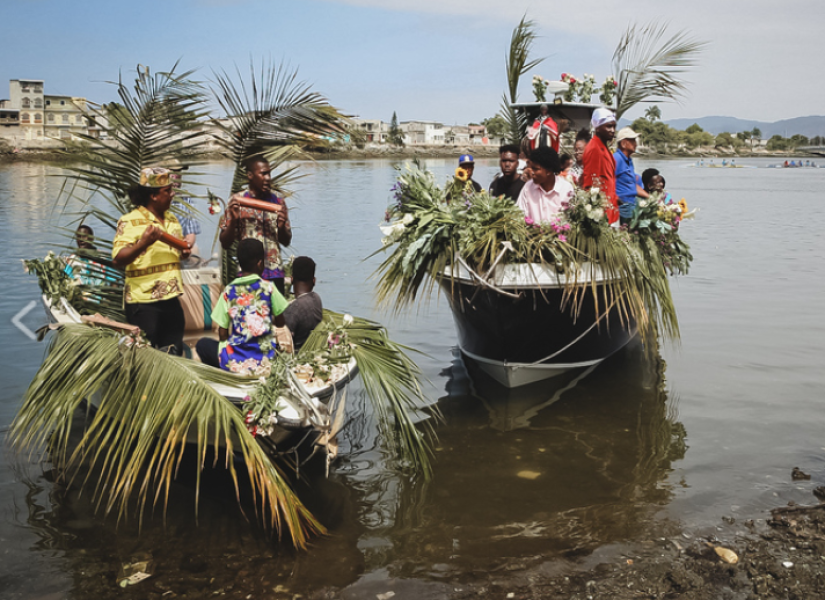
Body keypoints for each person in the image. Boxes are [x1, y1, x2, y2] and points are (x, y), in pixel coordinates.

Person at [113, 167, 191, 354]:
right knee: (144, 358)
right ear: (153, 196)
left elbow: (175, 253)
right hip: (143, 303)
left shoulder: (172, 220)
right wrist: (144, 243)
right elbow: (118, 259)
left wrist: (183, 253)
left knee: (173, 355)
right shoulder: (130, 221)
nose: (173, 194)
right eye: (168, 191)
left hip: (171, 299)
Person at [195, 238, 293, 375]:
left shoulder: (229, 291)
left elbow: (222, 333)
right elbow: (281, 323)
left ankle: (224, 376)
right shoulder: (269, 288)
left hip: (236, 362)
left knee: (203, 345)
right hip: (265, 362)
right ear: (260, 264)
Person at [219, 155, 292, 295]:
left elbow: (286, 240)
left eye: (269, 173)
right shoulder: (237, 201)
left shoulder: (278, 200)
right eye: (263, 173)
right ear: (250, 175)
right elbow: (225, 243)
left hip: (274, 273)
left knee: (275, 315)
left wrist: (281, 226)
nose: (268, 178)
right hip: (247, 274)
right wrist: (234, 220)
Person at [516, 147, 574, 224]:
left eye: (535, 169)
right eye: (531, 168)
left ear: (549, 171)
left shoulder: (566, 189)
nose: (532, 173)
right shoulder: (528, 187)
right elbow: (519, 214)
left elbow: (571, 219)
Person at [581, 107, 618, 225]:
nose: (612, 130)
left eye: (614, 127)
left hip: (609, 209)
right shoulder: (594, 149)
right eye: (608, 126)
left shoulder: (603, 147)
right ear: (598, 128)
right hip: (600, 215)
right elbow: (590, 184)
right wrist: (596, 212)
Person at [283, 256, 323, 351]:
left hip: (298, 355)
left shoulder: (294, 309)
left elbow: (284, 342)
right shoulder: (317, 299)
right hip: (312, 351)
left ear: (292, 280)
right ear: (314, 281)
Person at [613, 127, 649, 225]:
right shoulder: (617, 158)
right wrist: (616, 199)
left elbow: (632, 186)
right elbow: (606, 180)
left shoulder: (628, 160)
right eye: (632, 140)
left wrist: (651, 198)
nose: (635, 144)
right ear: (624, 143)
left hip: (631, 206)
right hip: (623, 208)